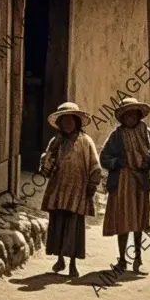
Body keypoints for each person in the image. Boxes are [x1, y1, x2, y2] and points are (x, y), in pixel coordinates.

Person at [100, 97, 150, 275]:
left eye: (133, 114)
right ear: (122, 117)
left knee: (139, 222)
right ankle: (122, 259)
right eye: (127, 114)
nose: (130, 117)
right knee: (122, 221)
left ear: (138, 115)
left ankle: (138, 259)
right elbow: (104, 157)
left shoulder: (147, 134)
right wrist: (117, 161)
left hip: (140, 182)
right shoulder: (116, 135)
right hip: (121, 182)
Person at [40, 101, 102, 279]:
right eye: (64, 121)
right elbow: (46, 168)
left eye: (70, 120)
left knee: (74, 228)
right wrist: (48, 155)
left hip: (78, 192)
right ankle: (60, 259)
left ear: (77, 121)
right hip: (58, 191)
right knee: (58, 225)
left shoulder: (85, 141)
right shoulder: (55, 142)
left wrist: (92, 184)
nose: (67, 124)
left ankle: (73, 263)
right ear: (59, 124)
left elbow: (94, 165)